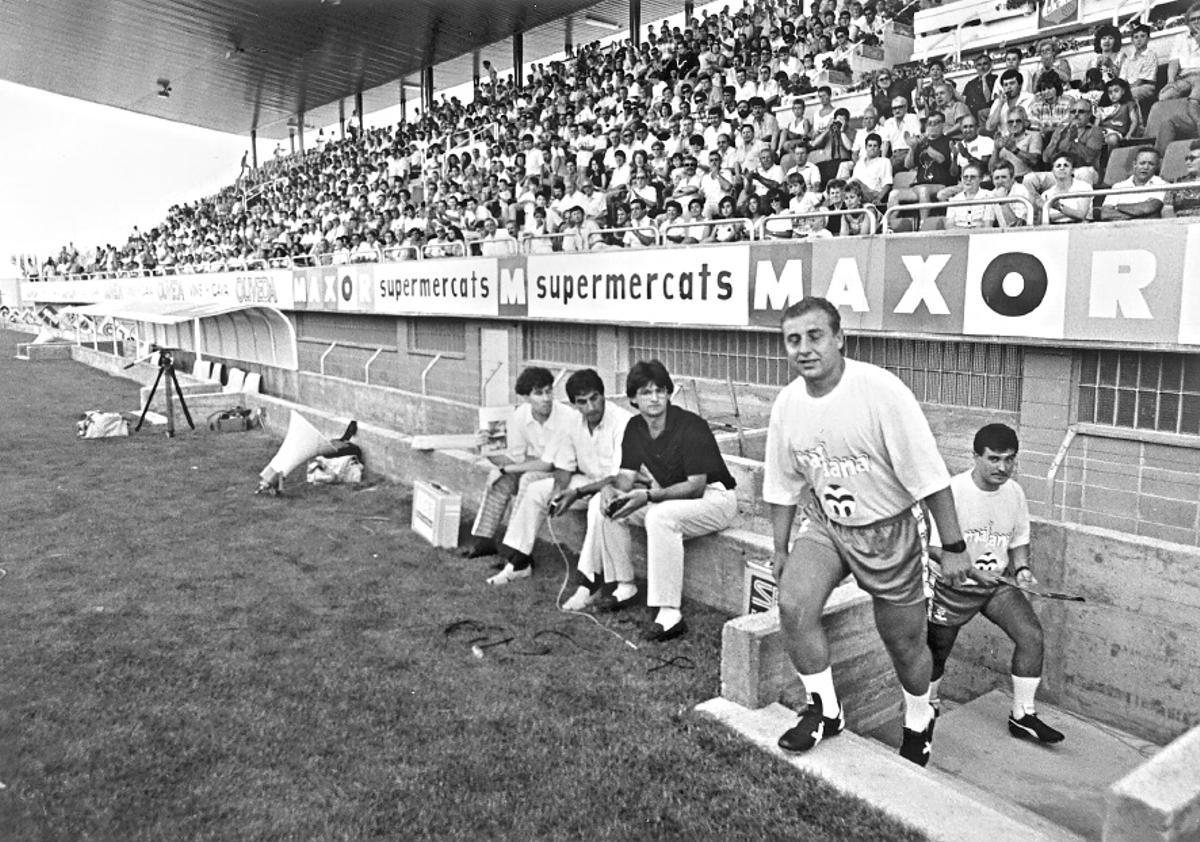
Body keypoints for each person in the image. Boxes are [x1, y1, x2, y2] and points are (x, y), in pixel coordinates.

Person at [764, 297, 975, 767]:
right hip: (828, 525)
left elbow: (930, 478)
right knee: (794, 603)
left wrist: (954, 546)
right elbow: (783, 483)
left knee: (903, 643)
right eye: (793, 340)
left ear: (840, 338)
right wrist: (779, 547)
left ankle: (919, 719)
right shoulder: (788, 404)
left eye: (815, 336)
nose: (804, 349)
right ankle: (824, 709)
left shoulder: (880, 391)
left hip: (889, 532)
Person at [926, 424, 1065, 745]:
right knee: (937, 652)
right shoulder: (953, 491)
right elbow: (933, 547)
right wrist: (973, 572)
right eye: (994, 459)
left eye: (1009, 459)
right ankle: (928, 707)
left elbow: (1018, 539)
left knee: (1031, 635)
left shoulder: (1014, 493)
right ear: (975, 456)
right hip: (953, 586)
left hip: (996, 586)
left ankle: (1023, 716)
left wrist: (1023, 568)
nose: (1003, 467)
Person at [592, 360, 738, 642]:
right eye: (646, 392)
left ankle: (670, 614)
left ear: (669, 394)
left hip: (716, 497)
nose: (655, 398)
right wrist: (610, 491)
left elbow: (696, 487)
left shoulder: (690, 425)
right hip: (674, 495)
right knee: (609, 511)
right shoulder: (635, 427)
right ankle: (625, 586)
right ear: (633, 399)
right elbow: (625, 478)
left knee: (658, 517)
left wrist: (647, 496)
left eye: (660, 390)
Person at [484, 369, 634, 599]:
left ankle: (590, 581)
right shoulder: (574, 421)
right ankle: (519, 562)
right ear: (575, 404)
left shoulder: (623, 421)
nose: (591, 407)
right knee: (536, 489)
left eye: (594, 398)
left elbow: (619, 477)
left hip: (619, 485)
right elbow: (564, 466)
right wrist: (558, 491)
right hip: (587, 481)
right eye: (582, 402)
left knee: (598, 506)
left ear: (603, 395)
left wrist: (575, 492)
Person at [459, 367, 573, 581]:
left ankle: (518, 554)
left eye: (549, 391)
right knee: (502, 479)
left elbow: (548, 465)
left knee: (527, 480)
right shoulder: (521, 416)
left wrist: (505, 468)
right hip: (538, 469)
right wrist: (487, 449)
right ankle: (484, 541)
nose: (546, 398)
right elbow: (514, 460)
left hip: (564, 473)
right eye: (539, 393)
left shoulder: (566, 417)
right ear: (526, 397)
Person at [1099, 147, 1167, 220]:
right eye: (1142, 163)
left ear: (1157, 167)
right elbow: (1105, 214)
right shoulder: (1118, 187)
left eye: (1151, 164)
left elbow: (1148, 208)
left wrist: (1117, 207)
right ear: (1134, 164)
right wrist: (1140, 216)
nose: (1146, 167)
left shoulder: (1163, 185)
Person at [1165, 140, 1200, 217]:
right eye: (1186, 159)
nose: (1187, 162)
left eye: (1192, 158)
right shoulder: (1178, 184)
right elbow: (1167, 209)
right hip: (1180, 225)